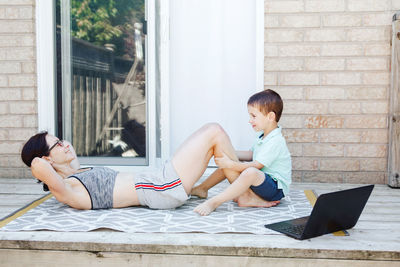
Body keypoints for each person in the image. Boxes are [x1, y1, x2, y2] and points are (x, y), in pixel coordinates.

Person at [21, 123, 241, 210]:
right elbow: (37, 165)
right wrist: (42, 160)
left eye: (61, 140)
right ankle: (245, 194)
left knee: (215, 144)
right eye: (57, 144)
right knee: (215, 132)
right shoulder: (68, 190)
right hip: (162, 188)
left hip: (158, 181)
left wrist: (59, 150)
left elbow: (64, 158)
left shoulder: (77, 172)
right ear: (47, 159)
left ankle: (205, 189)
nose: (65, 145)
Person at [193, 89, 292, 216]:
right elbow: (251, 155)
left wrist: (231, 164)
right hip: (260, 183)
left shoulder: (275, 141)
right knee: (229, 162)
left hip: (275, 189)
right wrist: (228, 154)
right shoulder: (262, 136)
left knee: (249, 171)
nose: (250, 120)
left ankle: (215, 202)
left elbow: (257, 165)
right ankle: (202, 188)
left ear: (270, 117)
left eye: (254, 116)